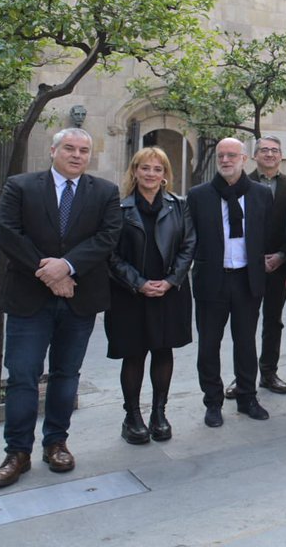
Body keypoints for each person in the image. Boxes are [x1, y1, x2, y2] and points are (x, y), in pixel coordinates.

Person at [0, 128, 121, 489]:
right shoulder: (20, 186)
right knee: (22, 375)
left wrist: (67, 266)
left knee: (66, 374)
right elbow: (8, 233)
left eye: (83, 150)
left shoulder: (105, 192)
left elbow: (108, 236)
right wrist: (49, 273)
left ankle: (56, 443)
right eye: (69, 148)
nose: (77, 155)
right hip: (29, 299)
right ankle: (17, 452)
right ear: (53, 150)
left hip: (79, 299)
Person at [106, 147, 196, 445]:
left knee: (163, 350)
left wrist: (171, 281)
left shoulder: (179, 206)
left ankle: (159, 413)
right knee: (134, 354)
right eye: (145, 168)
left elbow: (189, 245)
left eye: (158, 169)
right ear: (134, 171)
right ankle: (132, 417)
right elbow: (110, 254)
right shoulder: (119, 208)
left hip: (169, 292)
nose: (151, 174)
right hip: (130, 293)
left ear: (165, 174)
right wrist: (139, 283)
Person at [188, 137, 274, 427]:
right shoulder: (199, 195)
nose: (225, 160)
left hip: (247, 280)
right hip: (211, 280)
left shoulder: (261, 194)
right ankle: (212, 402)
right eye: (221, 155)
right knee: (209, 345)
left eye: (232, 155)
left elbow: (267, 234)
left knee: (246, 343)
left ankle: (247, 397)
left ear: (244, 159)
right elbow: (189, 238)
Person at [224, 136, 286, 399]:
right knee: (244, 324)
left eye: (274, 150)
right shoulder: (240, 184)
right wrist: (255, 258)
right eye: (264, 150)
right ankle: (243, 376)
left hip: (280, 265)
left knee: (273, 321)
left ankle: (269, 372)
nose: (269, 154)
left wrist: (282, 255)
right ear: (254, 156)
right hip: (246, 267)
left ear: (281, 155)